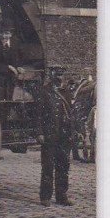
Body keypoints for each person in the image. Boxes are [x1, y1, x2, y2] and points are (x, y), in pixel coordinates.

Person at [36, 64, 73, 206]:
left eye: (61, 75)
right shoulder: (44, 92)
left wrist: (72, 133)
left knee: (63, 166)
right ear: (51, 76)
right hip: (49, 135)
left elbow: (71, 114)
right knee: (47, 166)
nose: (59, 77)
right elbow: (38, 115)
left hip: (64, 135)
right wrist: (39, 132)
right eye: (56, 75)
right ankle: (45, 197)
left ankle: (61, 196)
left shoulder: (66, 92)